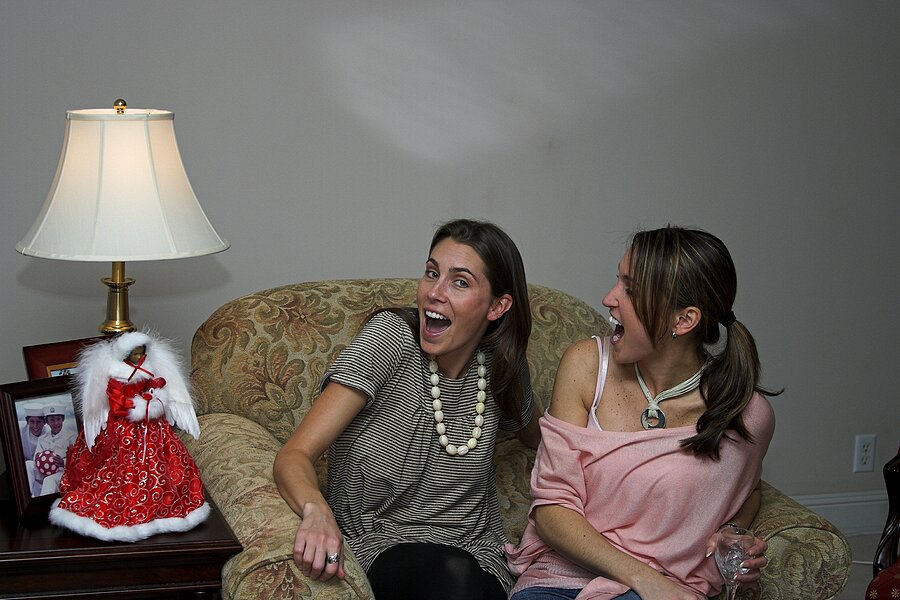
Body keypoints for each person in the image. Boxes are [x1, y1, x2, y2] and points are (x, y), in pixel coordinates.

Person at [506, 226, 778, 600]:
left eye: (630, 290)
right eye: (618, 280)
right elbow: (551, 511)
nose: (608, 298)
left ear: (683, 320)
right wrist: (647, 582)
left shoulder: (745, 414)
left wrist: (733, 531)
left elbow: (747, 488)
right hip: (560, 580)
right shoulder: (586, 366)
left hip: (671, 584)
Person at [274, 219, 541, 599]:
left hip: (478, 555)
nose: (434, 292)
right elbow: (295, 454)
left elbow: (543, 436)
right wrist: (316, 510)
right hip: (379, 545)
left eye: (459, 282)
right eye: (432, 273)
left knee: (466, 580)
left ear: (497, 306)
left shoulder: (501, 365)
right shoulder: (391, 338)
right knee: (452, 578)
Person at [49, 330, 210, 542]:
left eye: (141, 352)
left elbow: (158, 384)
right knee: (118, 468)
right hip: (124, 428)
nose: (138, 356)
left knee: (163, 464)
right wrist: (138, 407)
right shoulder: (117, 373)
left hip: (153, 427)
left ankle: (161, 506)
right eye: (135, 352)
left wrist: (155, 398)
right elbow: (116, 403)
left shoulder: (149, 367)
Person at [27, 403, 78, 496]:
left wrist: (63, 462)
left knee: (49, 480)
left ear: (63, 419)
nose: (55, 423)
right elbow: (36, 457)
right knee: (28, 464)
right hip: (44, 470)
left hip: (63, 472)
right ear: (47, 421)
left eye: (58, 419)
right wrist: (38, 458)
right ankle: (28, 495)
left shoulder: (72, 436)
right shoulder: (42, 438)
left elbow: (78, 460)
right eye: (52, 420)